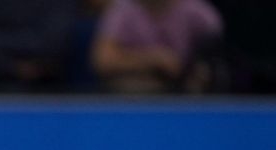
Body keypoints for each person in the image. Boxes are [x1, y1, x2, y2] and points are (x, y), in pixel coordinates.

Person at [93, 0, 224, 92]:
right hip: (133, 97)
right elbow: (103, 60)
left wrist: (199, 69)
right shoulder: (122, 10)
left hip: (185, 94)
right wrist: (154, 59)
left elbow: (221, 51)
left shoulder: (197, 12)